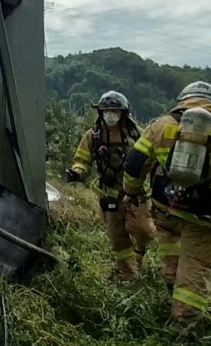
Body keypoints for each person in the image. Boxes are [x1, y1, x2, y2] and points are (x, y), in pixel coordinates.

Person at [121, 81, 211, 333]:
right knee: (195, 269)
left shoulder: (161, 126)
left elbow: (134, 164)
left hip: (165, 209)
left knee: (171, 254)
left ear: (182, 101)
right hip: (204, 218)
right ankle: (184, 328)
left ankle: (171, 291)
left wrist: (131, 192)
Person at [65, 90, 154, 282]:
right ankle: (127, 275)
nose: (110, 115)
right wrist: (77, 172)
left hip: (135, 193)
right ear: (100, 113)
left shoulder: (137, 133)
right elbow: (82, 159)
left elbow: (152, 158)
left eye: (115, 111)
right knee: (117, 238)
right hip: (110, 195)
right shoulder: (93, 136)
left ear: (123, 113)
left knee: (144, 231)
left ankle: (139, 251)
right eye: (106, 111)